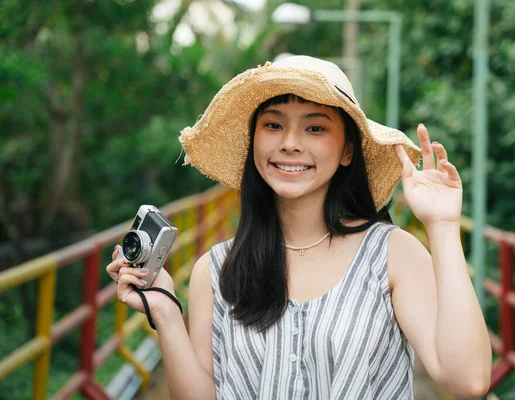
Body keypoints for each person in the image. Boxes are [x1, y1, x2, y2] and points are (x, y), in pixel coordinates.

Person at [106, 55, 492, 399]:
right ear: (254, 142)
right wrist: (167, 314)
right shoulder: (216, 269)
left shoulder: (393, 255)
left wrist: (442, 226)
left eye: (315, 128)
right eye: (273, 125)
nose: (290, 143)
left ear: (347, 151)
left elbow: (467, 381)